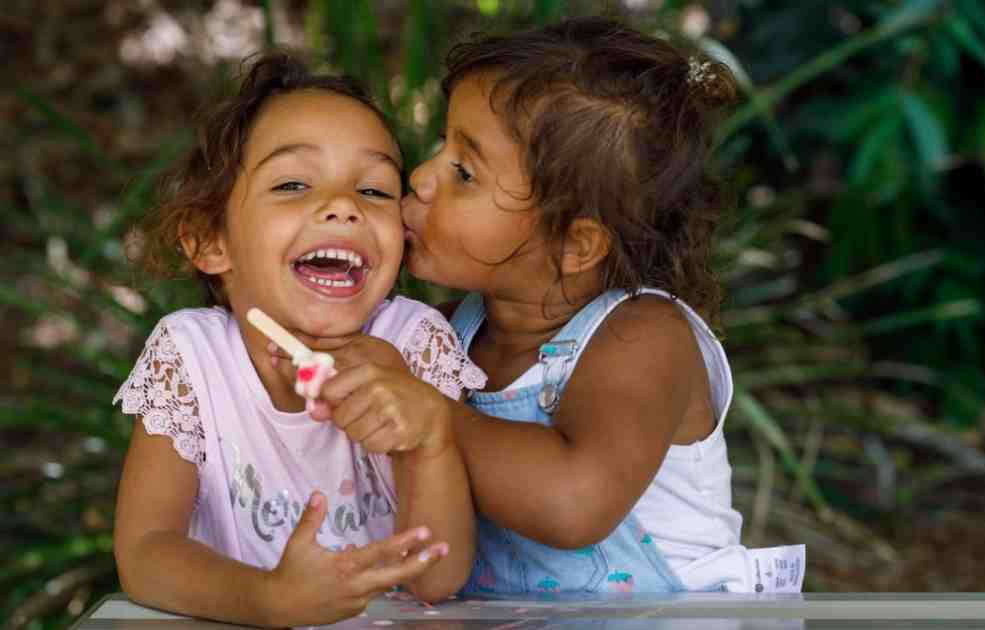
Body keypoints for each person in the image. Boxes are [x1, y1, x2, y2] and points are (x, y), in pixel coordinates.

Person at [274, 16, 806, 594]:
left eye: (464, 173)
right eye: (440, 149)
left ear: (576, 244)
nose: (422, 178)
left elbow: (574, 505)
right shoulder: (453, 332)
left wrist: (431, 414)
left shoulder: (644, 337)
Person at [111, 52, 482, 627]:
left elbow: (438, 576)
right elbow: (144, 555)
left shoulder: (415, 346)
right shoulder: (192, 358)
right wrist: (268, 599)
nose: (343, 207)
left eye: (376, 191)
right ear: (212, 241)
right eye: (292, 184)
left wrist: (429, 436)